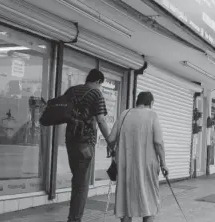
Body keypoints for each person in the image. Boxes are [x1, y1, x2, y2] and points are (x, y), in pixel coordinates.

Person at [108, 91, 168, 222]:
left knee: (124, 201)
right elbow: (158, 143)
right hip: (147, 167)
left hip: (125, 165)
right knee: (149, 200)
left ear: (137, 102)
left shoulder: (124, 114)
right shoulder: (152, 115)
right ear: (151, 103)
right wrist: (163, 164)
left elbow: (111, 138)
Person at [65, 69, 110, 222]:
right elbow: (101, 121)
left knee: (77, 179)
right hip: (85, 142)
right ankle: (75, 219)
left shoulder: (72, 90)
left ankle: (73, 217)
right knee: (82, 183)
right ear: (98, 81)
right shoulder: (96, 94)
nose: (100, 88)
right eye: (101, 85)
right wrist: (110, 141)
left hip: (70, 140)